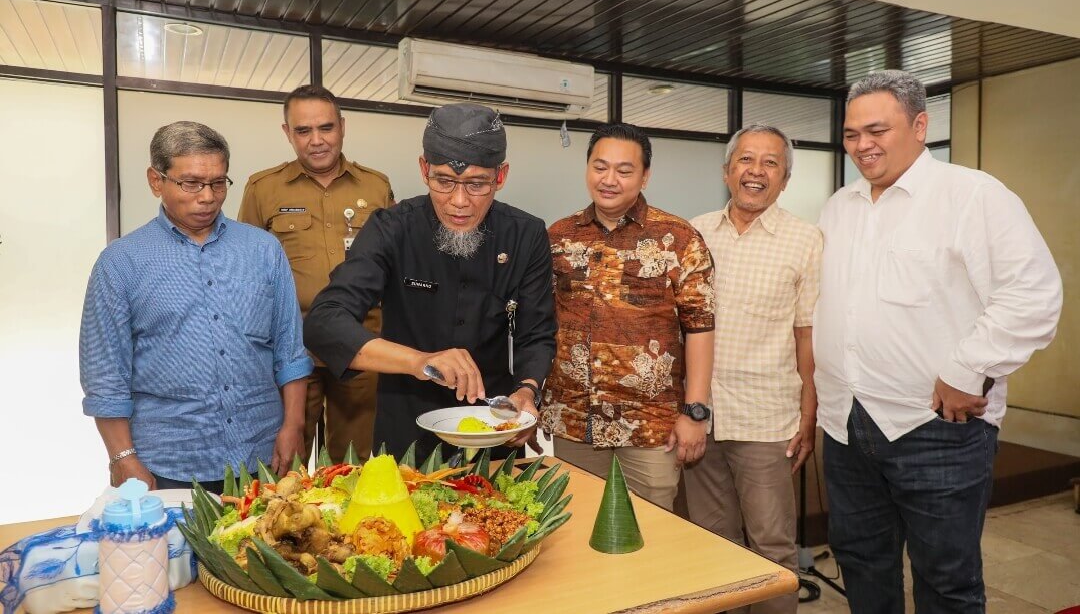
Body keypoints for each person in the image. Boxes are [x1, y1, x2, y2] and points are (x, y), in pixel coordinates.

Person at [816, 70, 1063, 613]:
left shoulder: (972, 195)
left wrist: (967, 369)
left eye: (877, 130)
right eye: (852, 133)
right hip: (846, 425)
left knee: (946, 581)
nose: (863, 145)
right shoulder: (839, 207)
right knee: (861, 563)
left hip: (936, 430)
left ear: (920, 125)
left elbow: (1034, 296)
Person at [303, 102, 556, 461]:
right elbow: (324, 322)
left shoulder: (526, 235)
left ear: (500, 176)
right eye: (444, 181)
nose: (458, 201)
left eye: (476, 184)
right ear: (424, 170)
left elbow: (536, 333)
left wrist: (528, 391)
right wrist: (420, 361)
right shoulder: (391, 228)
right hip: (405, 430)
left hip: (491, 429)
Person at [80, 121, 313, 494]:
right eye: (191, 183)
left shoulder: (263, 249)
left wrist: (293, 426)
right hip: (169, 464)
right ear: (157, 181)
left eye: (218, 183)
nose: (208, 196)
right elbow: (105, 375)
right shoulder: (120, 263)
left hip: (262, 455)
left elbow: (290, 350)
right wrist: (122, 456)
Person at [541, 123, 715, 511]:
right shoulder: (559, 236)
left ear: (645, 175)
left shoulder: (678, 238)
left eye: (624, 170)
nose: (609, 180)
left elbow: (700, 327)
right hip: (575, 420)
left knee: (651, 536)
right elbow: (541, 323)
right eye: (600, 167)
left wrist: (695, 412)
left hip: (650, 424)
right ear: (587, 168)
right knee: (579, 529)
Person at [684, 124, 822, 614]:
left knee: (772, 548)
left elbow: (808, 338)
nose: (756, 171)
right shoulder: (692, 233)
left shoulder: (806, 241)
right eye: (746, 160)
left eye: (770, 163)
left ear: (785, 179)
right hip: (700, 417)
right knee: (711, 543)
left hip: (767, 420)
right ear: (727, 171)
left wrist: (809, 416)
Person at [238, 84, 394, 463]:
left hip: (361, 344)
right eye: (303, 131)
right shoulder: (263, 188)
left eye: (326, 128)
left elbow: (394, 264)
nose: (317, 141)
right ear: (287, 133)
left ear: (342, 126)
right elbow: (246, 273)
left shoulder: (376, 185)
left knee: (354, 465)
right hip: (292, 348)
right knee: (281, 463)